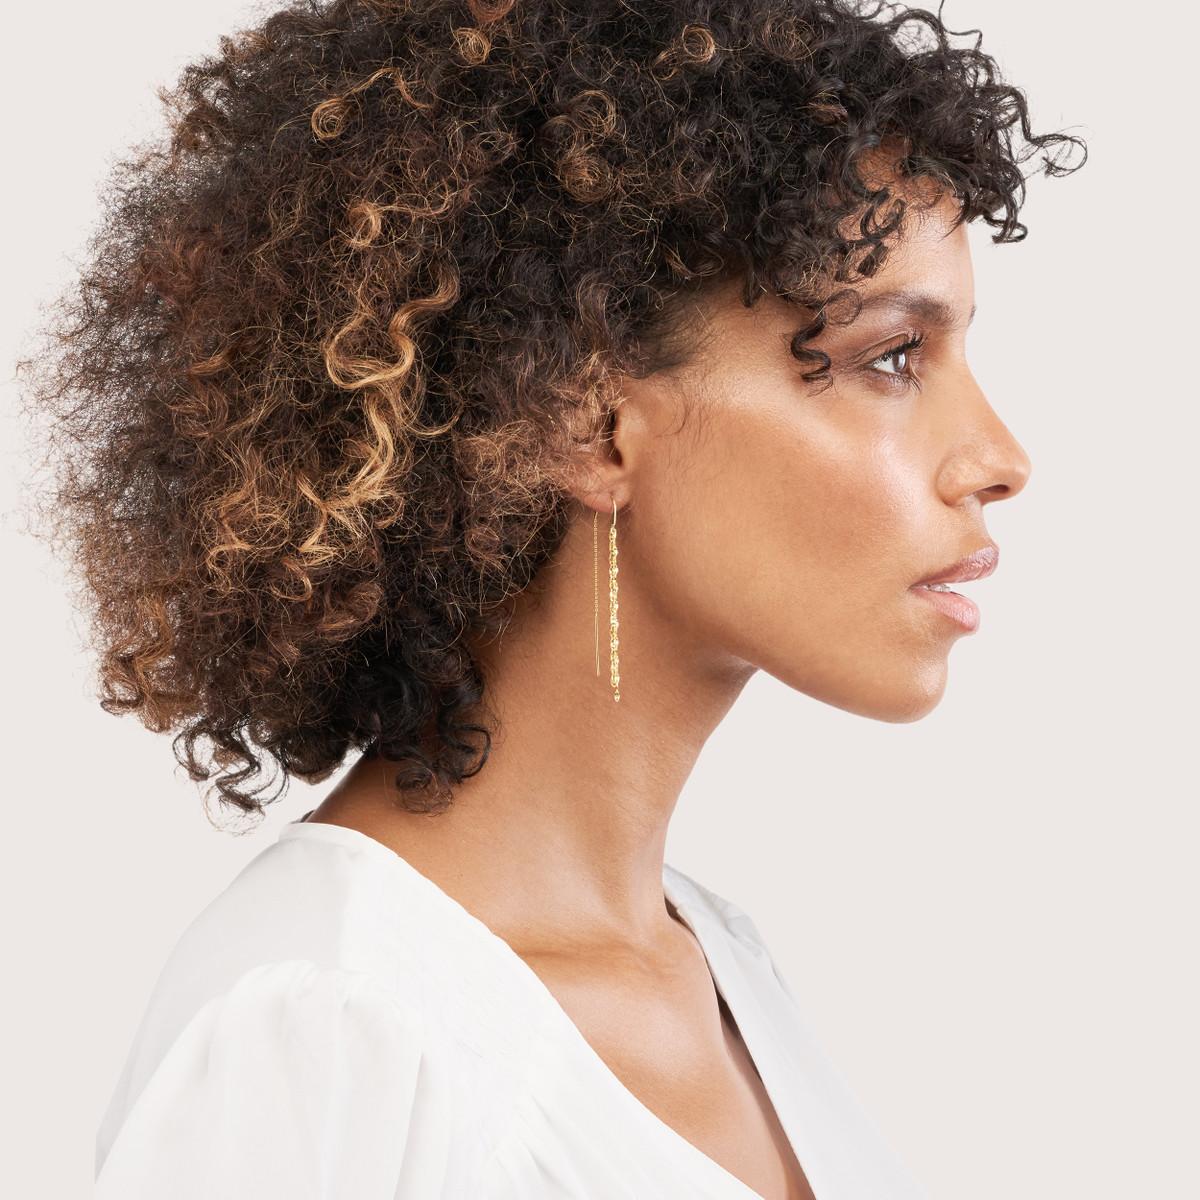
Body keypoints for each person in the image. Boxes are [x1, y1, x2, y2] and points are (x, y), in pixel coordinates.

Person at [18, 0, 1085, 1196]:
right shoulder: (325, 1031)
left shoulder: (722, 970)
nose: (1000, 458)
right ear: (588, 422)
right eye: (892, 356)